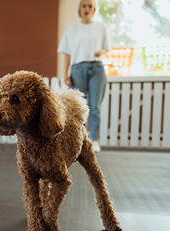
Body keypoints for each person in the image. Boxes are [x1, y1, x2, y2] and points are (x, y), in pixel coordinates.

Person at [57, 0, 111, 153]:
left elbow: (106, 48)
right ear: (80, 8)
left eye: (90, 6)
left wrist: (102, 51)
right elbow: (66, 52)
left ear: (94, 9)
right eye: (84, 6)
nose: (86, 9)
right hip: (77, 68)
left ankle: (94, 140)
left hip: (97, 68)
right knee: (78, 107)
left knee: (95, 107)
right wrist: (65, 73)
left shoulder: (101, 27)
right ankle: (79, 139)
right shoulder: (72, 29)